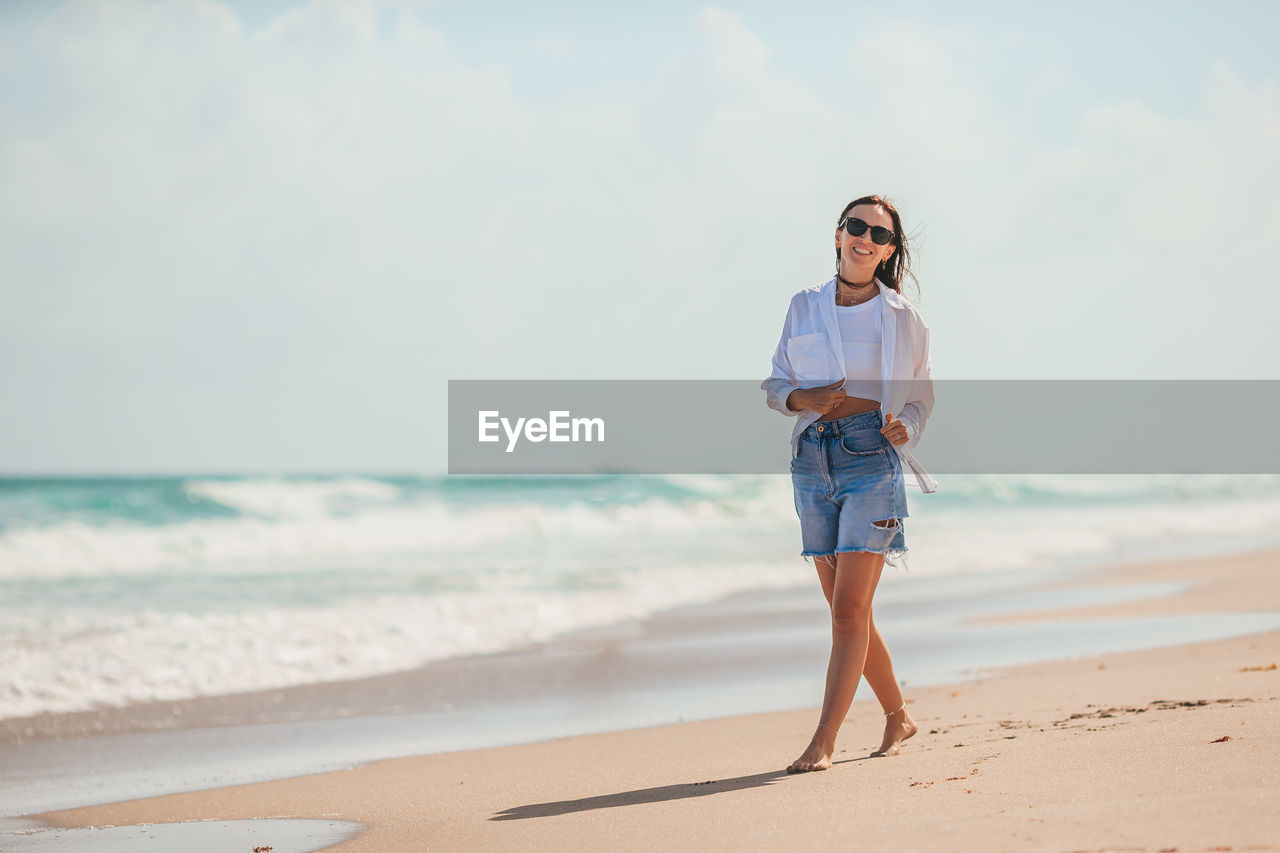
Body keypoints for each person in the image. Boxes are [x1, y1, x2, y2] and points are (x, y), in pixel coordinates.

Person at [761, 194, 936, 773]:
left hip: (872, 457)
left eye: (879, 235)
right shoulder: (804, 305)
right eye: (856, 227)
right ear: (839, 234)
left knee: (848, 610)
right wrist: (797, 398)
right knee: (846, 609)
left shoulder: (902, 316)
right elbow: (776, 381)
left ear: (889, 251)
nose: (866, 239)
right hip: (813, 458)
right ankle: (897, 716)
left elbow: (920, 393)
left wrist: (905, 427)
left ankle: (825, 739)